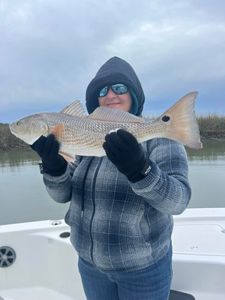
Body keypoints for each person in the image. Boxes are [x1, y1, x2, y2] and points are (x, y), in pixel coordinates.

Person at [31, 56, 191, 300]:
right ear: (95, 100)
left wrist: (141, 170)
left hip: (143, 270)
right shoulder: (83, 142)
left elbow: (178, 202)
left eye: (119, 88)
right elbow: (61, 196)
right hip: (89, 266)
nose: (110, 95)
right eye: (102, 90)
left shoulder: (160, 139)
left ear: (134, 95)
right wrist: (54, 169)